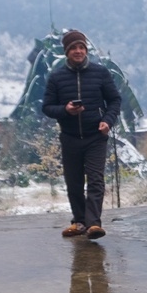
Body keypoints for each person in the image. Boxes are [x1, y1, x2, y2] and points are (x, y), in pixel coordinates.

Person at [42, 30, 122, 239]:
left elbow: (114, 100)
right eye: (73, 48)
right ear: (67, 52)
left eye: (81, 47)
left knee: (95, 180)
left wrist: (107, 121)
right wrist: (65, 110)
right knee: (74, 182)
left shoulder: (100, 73)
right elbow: (48, 107)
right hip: (69, 137)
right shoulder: (57, 77)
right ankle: (79, 222)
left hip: (96, 136)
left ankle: (94, 224)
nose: (78, 51)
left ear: (86, 49)